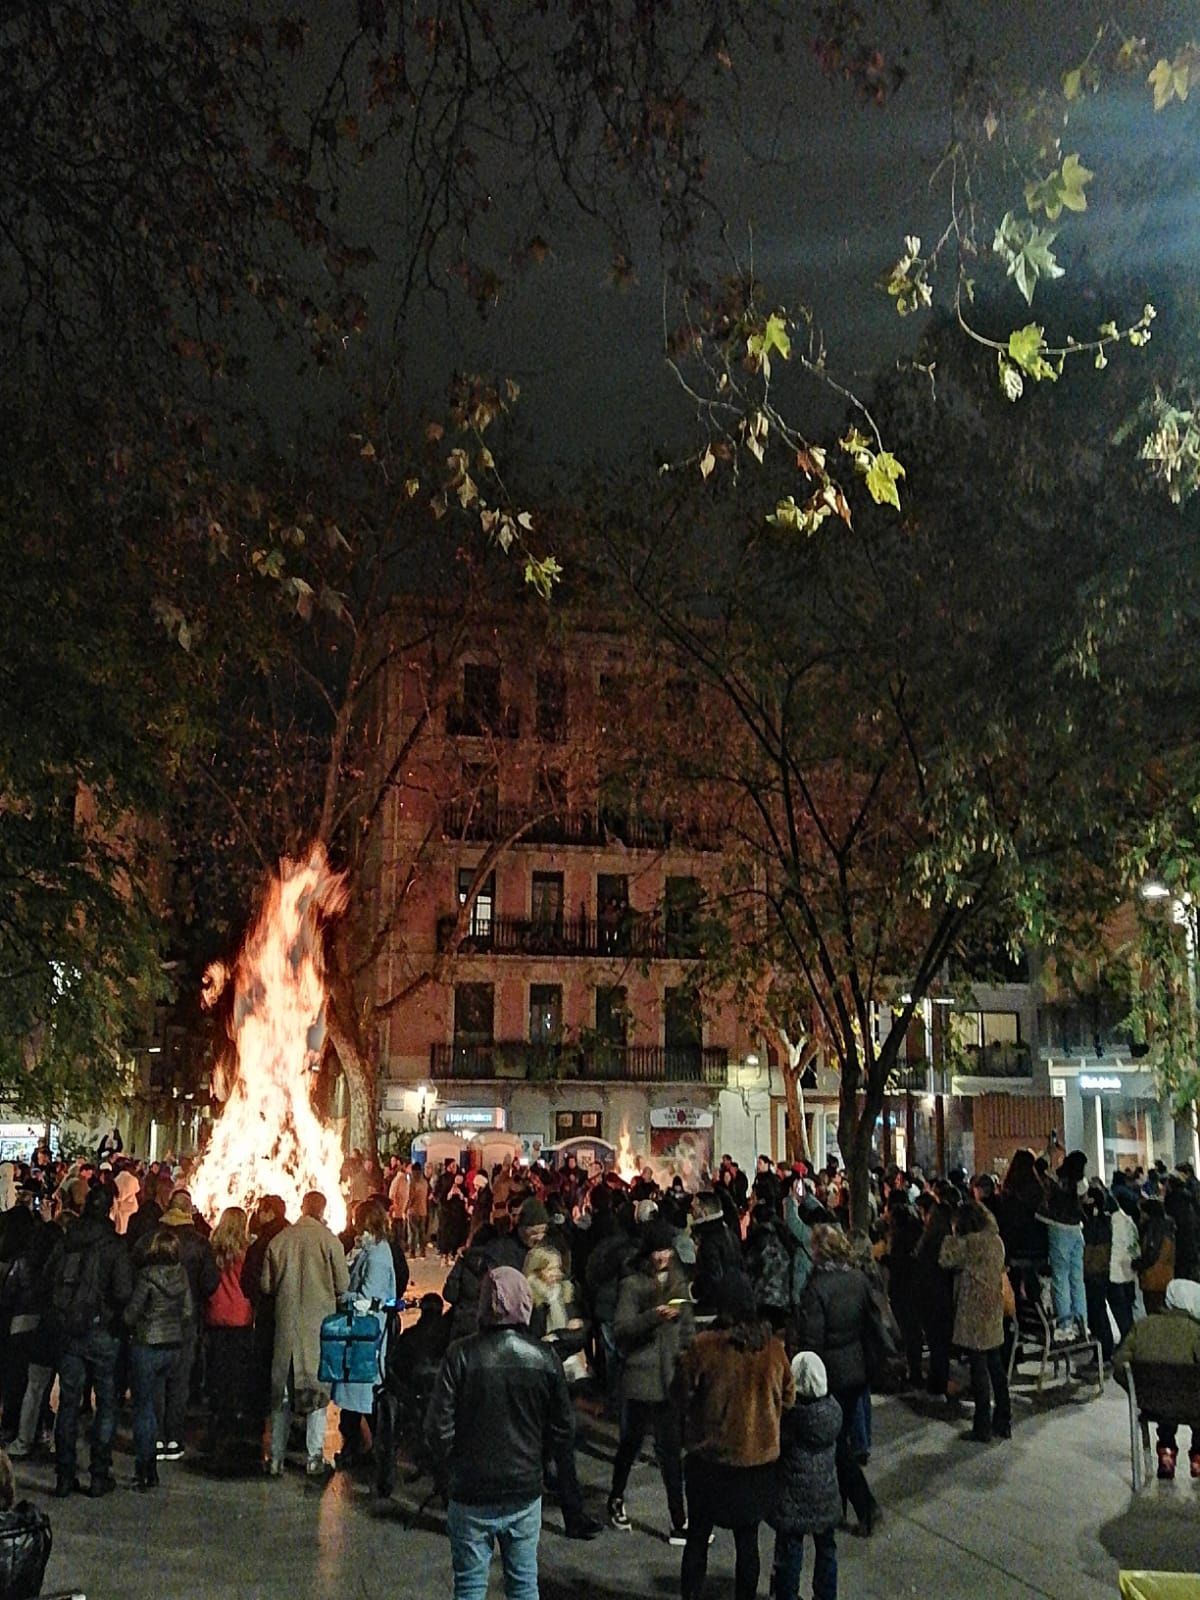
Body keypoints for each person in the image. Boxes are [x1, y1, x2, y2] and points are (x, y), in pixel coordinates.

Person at [425, 1265, 574, 1600]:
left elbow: (438, 1427)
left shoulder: (460, 1355)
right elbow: (562, 1427)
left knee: (470, 1586)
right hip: (523, 1488)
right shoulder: (543, 1356)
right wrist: (538, 1459)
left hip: (470, 1491)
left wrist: (454, 1467)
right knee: (523, 1584)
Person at [678, 1271, 795, 1600]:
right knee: (748, 1541)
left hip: (710, 1461)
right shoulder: (773, 1349)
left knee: (698, 1537)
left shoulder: (704, 1347)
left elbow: (681, 1393)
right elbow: (789, 1396)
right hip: (757, 1464)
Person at [607, 1217, 694, 1539]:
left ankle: (679, 1520)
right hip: (640, 1379)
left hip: (670, 1378)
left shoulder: (678, 1282)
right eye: (657, 1251)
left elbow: (687, 1325)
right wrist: (652, 1317)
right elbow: (621, 1329)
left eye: (667, 1250)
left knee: (671, 1452)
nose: (663, 1257)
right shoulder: (633, 1284)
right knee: (629, 1444)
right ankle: (616, 1498)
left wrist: (688, 1352)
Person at [792, 1224, 881, 1536]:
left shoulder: (817, 1287)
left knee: (835, 1445)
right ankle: (841, 1506)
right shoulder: (857, 1279)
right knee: (839, 1439)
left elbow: (812, 1341)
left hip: (831, 1373)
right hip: (857, 1370)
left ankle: (864, 1504)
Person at [45, 1183, 133, 1497]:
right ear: (109, 1208)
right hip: (103, 1331)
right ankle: (98, 1474)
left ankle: (64, 1476)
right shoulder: (114, 1245)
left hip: (70, 1330)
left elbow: (49, 1277)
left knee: (69, 1402)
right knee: (106, 1403)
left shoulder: (69, 1239)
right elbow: (123, 1291)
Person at [262, 1190, 349, 1478]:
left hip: (286, 1330)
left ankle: (275, 1458)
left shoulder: (280, 1240)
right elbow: (342, 1284)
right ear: (323, 1210)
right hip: (317, 1332)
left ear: (302, 1208)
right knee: (317, 1397)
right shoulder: (329, 1241)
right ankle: (313, 1458)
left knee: (282, 1398)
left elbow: (266, 1285)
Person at [125, 1227, 193, 1490]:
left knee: (144, 1409)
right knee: (159, 1399)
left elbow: (132, 1313)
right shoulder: (182, 1275)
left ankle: (146, 1467)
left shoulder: (146, 1276)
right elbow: (187, 1310)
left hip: (147, 1345)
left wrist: (138, 1322)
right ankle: (156, 1456)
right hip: (172, 1347)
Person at [154, 1187, 219, 1460]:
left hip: (154, 1318)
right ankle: (174, 1439)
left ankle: (155, 1437)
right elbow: (209, 1283)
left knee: (156, 1380)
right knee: (180, 1381)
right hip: (186, 1319)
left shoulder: (152, 1238)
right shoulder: (200, 1243)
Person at [770, 1351, 842, 1600]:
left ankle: (786, 1595)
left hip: (793, 1497)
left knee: (790, 1549)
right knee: (827, 1548)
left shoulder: (792, 1418)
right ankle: (826, 1594)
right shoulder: (833, 1412)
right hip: (826, 1493)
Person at [1112, 1278, 1200, 1479]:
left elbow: (1120, 1363)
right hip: (1192, 1407)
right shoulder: (1196, 1332)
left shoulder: (1142, 1326)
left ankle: (1166, 1453)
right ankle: (1197, 1456)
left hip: (1151, 1404)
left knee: (1167, 1398)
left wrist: (1135, 1391)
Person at [938, 1201, 1011, 1443]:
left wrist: (951, 1235)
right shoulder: (996, 1241)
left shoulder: (970, 1244)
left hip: (973, 1310)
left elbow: (945, 1259)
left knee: (979, 1369)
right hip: (993, 1306)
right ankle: (1004, 1418)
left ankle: (982, 1426)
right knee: (995, 1365)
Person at [333, 1199, 396, 1470]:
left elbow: (367, 1300)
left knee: (361, 1396)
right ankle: (361, 1448)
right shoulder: (372, 1251)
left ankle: (366, 1450)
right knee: (358, 1396)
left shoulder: (378, 1257)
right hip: (362, 1334)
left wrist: (341, 1297)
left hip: (366, 1335)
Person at [205, 1205, 255, 1458]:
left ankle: (216, 1414)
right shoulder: (246, 1252)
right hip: (240, 1316)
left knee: (217, 1367)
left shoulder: (213, 1249)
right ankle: (233, 1417)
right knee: (237, 1370)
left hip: (215, 1313)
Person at [1038, 1150, 1088, 1341]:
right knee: (1077, 1279)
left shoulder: (1057, 1180)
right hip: (1077, 1230)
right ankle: (1081, 1323)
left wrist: (1049, 1150)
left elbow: (1041, 1170)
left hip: (1059, 1229)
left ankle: (1064, 1324)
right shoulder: (1081, 1184)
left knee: (1060, 1279)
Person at [408, 1162, 431, 1258]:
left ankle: (412, 1252)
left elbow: (411, 1197)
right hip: (423, 1210)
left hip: (413, 1210)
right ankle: (422, 1251)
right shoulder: (424, 1182)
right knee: (422, 1232)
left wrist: (407, 1207)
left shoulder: (413, 1182)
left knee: (413, 1232)